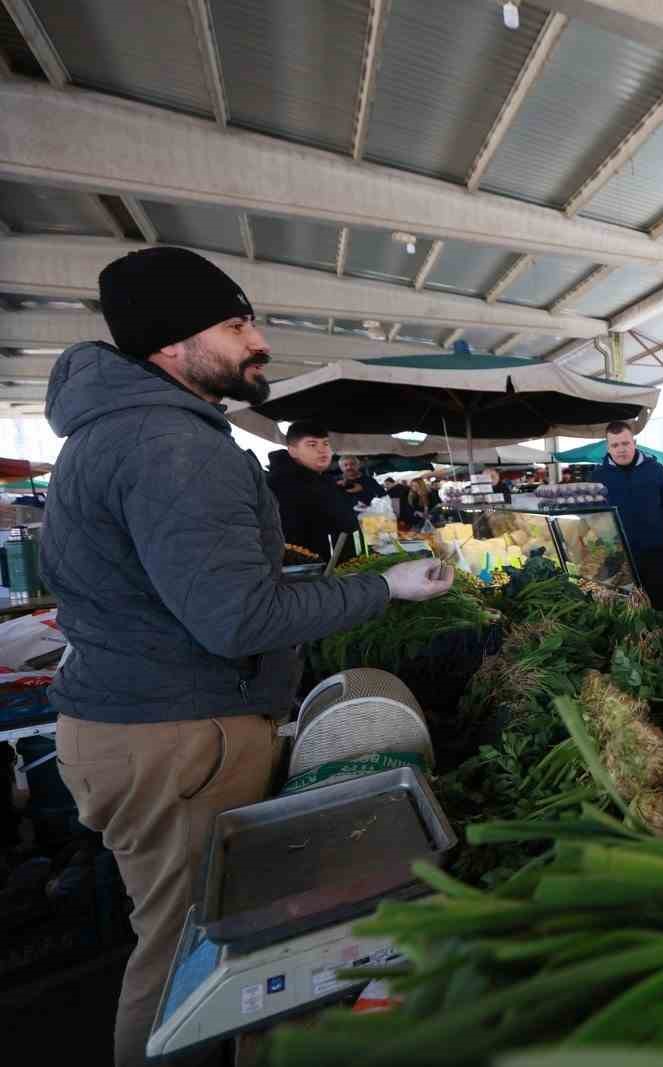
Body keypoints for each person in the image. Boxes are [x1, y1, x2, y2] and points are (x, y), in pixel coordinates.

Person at [39, 246, 455, 1067]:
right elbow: (238, 617)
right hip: (176, 736)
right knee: (183, 968)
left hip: (147, 723)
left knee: (179, 945)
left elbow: (191, 586)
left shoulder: (127, 428)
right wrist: (388, 588)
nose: (256, 340)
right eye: (235, 325)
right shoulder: (173, 445)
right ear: (170, 346)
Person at [592, 422, 663, 613]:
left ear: (635, 442)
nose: (621, 450)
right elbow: (593, 517)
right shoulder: (597, 477)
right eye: (615, 445)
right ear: (608, 447)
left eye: (625, 443)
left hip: (655, 553)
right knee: (622, 610)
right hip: (616, 557)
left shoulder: (656, 471)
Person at [267, 421, 361, 562]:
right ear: (293, 450)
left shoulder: (323, 481)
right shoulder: (278, 485)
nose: (322, 450)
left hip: (342, 570)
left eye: (326, 443)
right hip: (309, 574)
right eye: (312, 444)